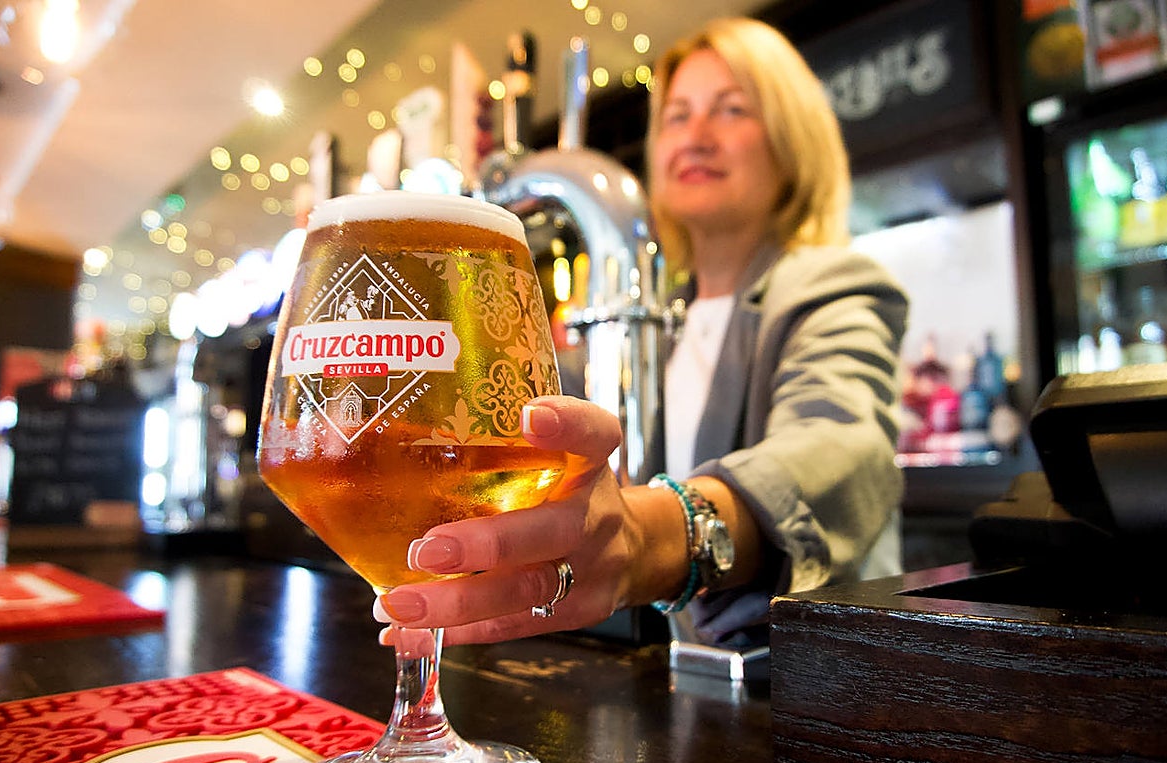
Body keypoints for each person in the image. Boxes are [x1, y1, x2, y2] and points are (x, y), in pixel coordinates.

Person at [373, 17, 909, 649]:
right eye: (677, 116)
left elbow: (839, 445)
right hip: (662, 677)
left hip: (806, 686)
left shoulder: (832, 283)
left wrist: (650, 537)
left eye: (731, 110)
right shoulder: (659, 315)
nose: (696, 137)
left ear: (792, 141)